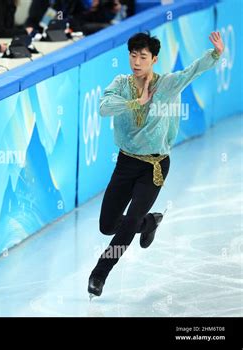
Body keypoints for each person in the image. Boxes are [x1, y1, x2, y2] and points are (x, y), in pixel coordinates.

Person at [88, 31, 224, 298]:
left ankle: (99, 274)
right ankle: (149, 223)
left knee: (128, 223)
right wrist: (134, 102)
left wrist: (215, 54)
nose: (136, 61)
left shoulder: (167, 85)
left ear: (154, 59)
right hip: (126, 163)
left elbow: (192, 71)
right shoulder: (121, 83)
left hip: (154, 167)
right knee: (108, 225)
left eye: (143, 56)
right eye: (133, 55)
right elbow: (103, 108)